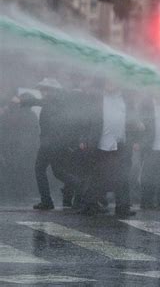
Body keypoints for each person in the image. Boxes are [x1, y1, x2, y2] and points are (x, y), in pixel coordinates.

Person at [14, 78, 82, 210]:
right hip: (54, 143)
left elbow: (37, 102)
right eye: (41, 89)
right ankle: (81, 187)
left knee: (40, 169)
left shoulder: (54, 100)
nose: (42, 92)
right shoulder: (57, 101)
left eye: (45, 89)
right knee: (58, 172)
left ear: (53, 90)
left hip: (50, 143)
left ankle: (47, 201)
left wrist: (22, 100)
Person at [80, 80, 142, 217]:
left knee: (123, 176)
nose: (110, 83)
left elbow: (133, 120)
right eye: (107, 81)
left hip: (121, 144)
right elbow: (87, 120)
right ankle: (89, 205)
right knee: (95, 175)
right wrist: (84, 138)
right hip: (100, 143)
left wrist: (136, 139)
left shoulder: (126, 100)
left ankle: (123, 207)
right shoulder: (96, 98)